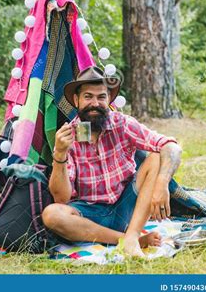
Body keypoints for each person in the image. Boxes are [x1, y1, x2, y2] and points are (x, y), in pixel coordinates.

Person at [42, 66, 182, 257]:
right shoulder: (68, 136)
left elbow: (171, 145)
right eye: (88, 97)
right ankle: (128, 240)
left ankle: (132, 234)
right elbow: (62, 198)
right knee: (52, 214)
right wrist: (59, 152)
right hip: (89, 217)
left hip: (127, 208)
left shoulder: (122, 124)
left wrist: (162, 183)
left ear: (108, 100)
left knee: (156, 156)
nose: (95, 103)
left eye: (101, 97)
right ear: (77, 100)